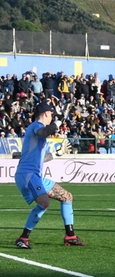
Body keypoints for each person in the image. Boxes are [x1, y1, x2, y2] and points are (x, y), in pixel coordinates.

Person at [14, 101, 86, 249]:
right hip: (28, 175)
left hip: (34, 176)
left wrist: (56, 154)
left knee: (67, 196)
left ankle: (70, 236)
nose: (52, 116)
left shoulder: (38, 130)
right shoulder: (36, 126)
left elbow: (41, 157)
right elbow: (44, 132)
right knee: (44, 203)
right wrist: (56, 124)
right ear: (46, 114)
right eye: (51, 114)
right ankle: (23, 238)